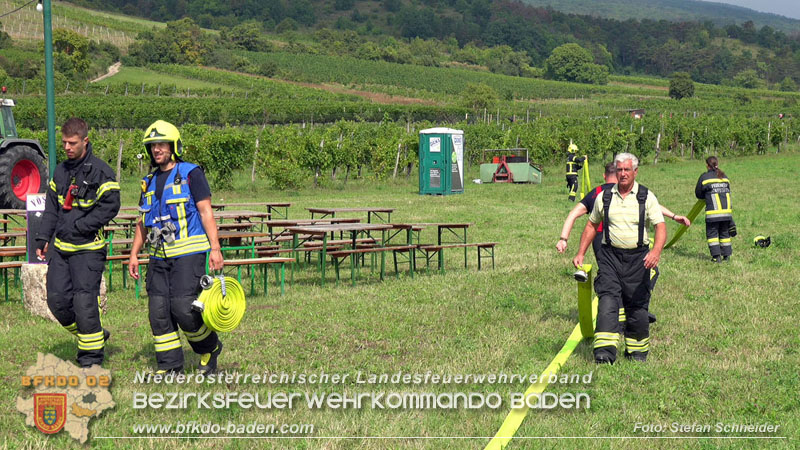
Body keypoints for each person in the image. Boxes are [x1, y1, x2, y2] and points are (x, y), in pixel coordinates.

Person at [128, 120, 224, 375]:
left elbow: (205, 212)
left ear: (173, 146)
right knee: (158, 313)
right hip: (158, 258)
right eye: (152, 146)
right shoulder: (147, 182)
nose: (156, 149)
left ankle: (210, 347)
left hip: (189, 254)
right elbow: (142, 222)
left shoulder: (192, 173)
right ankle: (170, 368)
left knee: (183, 308)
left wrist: (215, 248)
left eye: (161, 144)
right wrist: (134, 254)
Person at [558, 161, 689, 326]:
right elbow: (652, 205)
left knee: (616, 278)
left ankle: (629, 311)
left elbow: (573, 213)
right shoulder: (628, 191)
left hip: (600, 240)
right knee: (641, 273)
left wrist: (563, 239)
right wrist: (674, 216)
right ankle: (628, 313)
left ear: (604, 176)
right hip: (618, 241)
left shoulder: (597, 192)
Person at [35, 118, 120, 368]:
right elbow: (51, 208)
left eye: (72, 143)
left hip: (88, 251)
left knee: (84, 303)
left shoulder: (100, 171)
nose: (67, 147)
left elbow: (111, 206)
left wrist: (81, 226)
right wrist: (43, 237)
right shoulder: (60, 171)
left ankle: (90, 362)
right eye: (64, 143)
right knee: (57, 302)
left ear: (85, 141)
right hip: (61, 250)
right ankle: (92, 335)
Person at [573, 153, 666, 364]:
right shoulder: (604, 197)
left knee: (637, 306)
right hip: (610, 258)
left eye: (627, 170)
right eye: (619, 170)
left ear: (635, 172)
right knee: (608, 301)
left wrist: (656, 252)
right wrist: (580, 252)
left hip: (638, 259)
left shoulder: (646, 196)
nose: (623, 174)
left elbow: (660, 226)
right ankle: (604, 353)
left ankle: (637, 352)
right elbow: (590, 225)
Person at [695, 156, 732, 262]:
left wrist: (706, 196)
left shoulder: (705, 177)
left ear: (707, 165)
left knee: (712, 234)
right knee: (725, 233)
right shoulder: (724, 176)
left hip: (713, 213)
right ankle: (727, 256)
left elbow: (698, 193)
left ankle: (716, 257)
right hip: (727, 212)